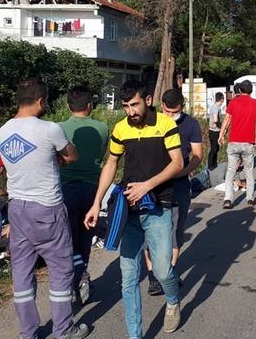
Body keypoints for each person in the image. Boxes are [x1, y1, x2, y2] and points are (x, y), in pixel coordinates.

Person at [83, 80, 184, 338]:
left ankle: (173, 300)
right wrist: (96, 203)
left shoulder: (165, 124)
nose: (130, 112)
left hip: (159, 207)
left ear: (148, 100)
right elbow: (111, 164)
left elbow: (177, 163)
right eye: (126, 106)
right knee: (128, 278)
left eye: (135, 105)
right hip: (129, 209)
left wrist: (147, 186)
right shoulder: (120, 128)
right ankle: (134, 335)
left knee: (162, 270)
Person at [0, 78, 88, 339]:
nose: (46, 104)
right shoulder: (50, 129)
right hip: (46, 208)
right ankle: (63, 331)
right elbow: (71, 156)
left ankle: (29, 333)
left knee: (22, 274)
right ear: (39, 101)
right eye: (46, 100)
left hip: (16, 209)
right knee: (60, 271)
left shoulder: (3, 131)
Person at [146, 88, 203, 296]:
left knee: (175, 232)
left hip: (179, 185)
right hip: (154, 186)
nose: (171, 116)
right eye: (168, 112)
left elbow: (197, 155)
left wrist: (182, 173)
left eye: (176, 112)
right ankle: (153, 275)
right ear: (162, 107)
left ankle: (168, 272)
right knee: (152, 232)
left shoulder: (191, 124)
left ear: (182, 108)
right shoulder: (152, 122)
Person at [58, 86, 110, 306]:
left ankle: (72, 282)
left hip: (65, 187)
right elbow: (101, 155)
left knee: (67, 238)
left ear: (69, 106)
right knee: (86, 236)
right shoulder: (102, 127)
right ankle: (82, 276)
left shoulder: (58, 128)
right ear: (90, 106)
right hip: (92, 189)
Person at [219, 80, 256, 209]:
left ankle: (228, 199)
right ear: (251, 91)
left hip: (234, 141)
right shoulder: (255, 103)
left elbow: (227, 119)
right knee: (249, 171)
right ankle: (250, 198)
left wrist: (221, 134)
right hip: (248, 142)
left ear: (239, 90)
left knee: (231, 171)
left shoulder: (233, 102)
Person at [207, 91, 225, 170]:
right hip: (214, 131)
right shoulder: (215, 108)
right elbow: (215, 120)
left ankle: (214, 164)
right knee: (214, 148)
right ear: (222, 99)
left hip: (214, 130)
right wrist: (221, 126)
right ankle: (210, 165)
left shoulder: (214, 107)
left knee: (216, 148)